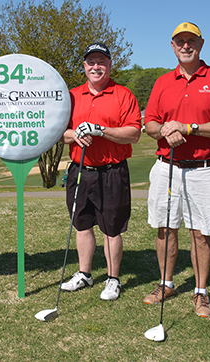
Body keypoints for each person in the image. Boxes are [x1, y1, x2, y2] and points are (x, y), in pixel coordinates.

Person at [143, 22, 210, 318]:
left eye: (192, 41)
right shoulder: (162, 82)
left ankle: (200, 292)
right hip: (166, 167)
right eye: (180, 41)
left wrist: (189, 128)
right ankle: (166, 283)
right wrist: (165, 130)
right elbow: (149, 124)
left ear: (201, 44)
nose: (186, 46)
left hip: (203, 169)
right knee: (165, 227)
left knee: (200, 233)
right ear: (172, 46)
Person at [61, 42, 142, 301]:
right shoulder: (71, 96)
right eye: (91, 62)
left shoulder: (123, 95)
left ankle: (113, 278)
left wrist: (100, 130)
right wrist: (75, 134)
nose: (96, 67)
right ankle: (84, 274)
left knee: (111, 228)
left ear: (109, 65)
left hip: (112, 171)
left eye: (101, 62)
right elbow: (60, 133)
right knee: (82, 224)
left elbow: (134, 133)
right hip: (80, 170)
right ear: (84, 66)